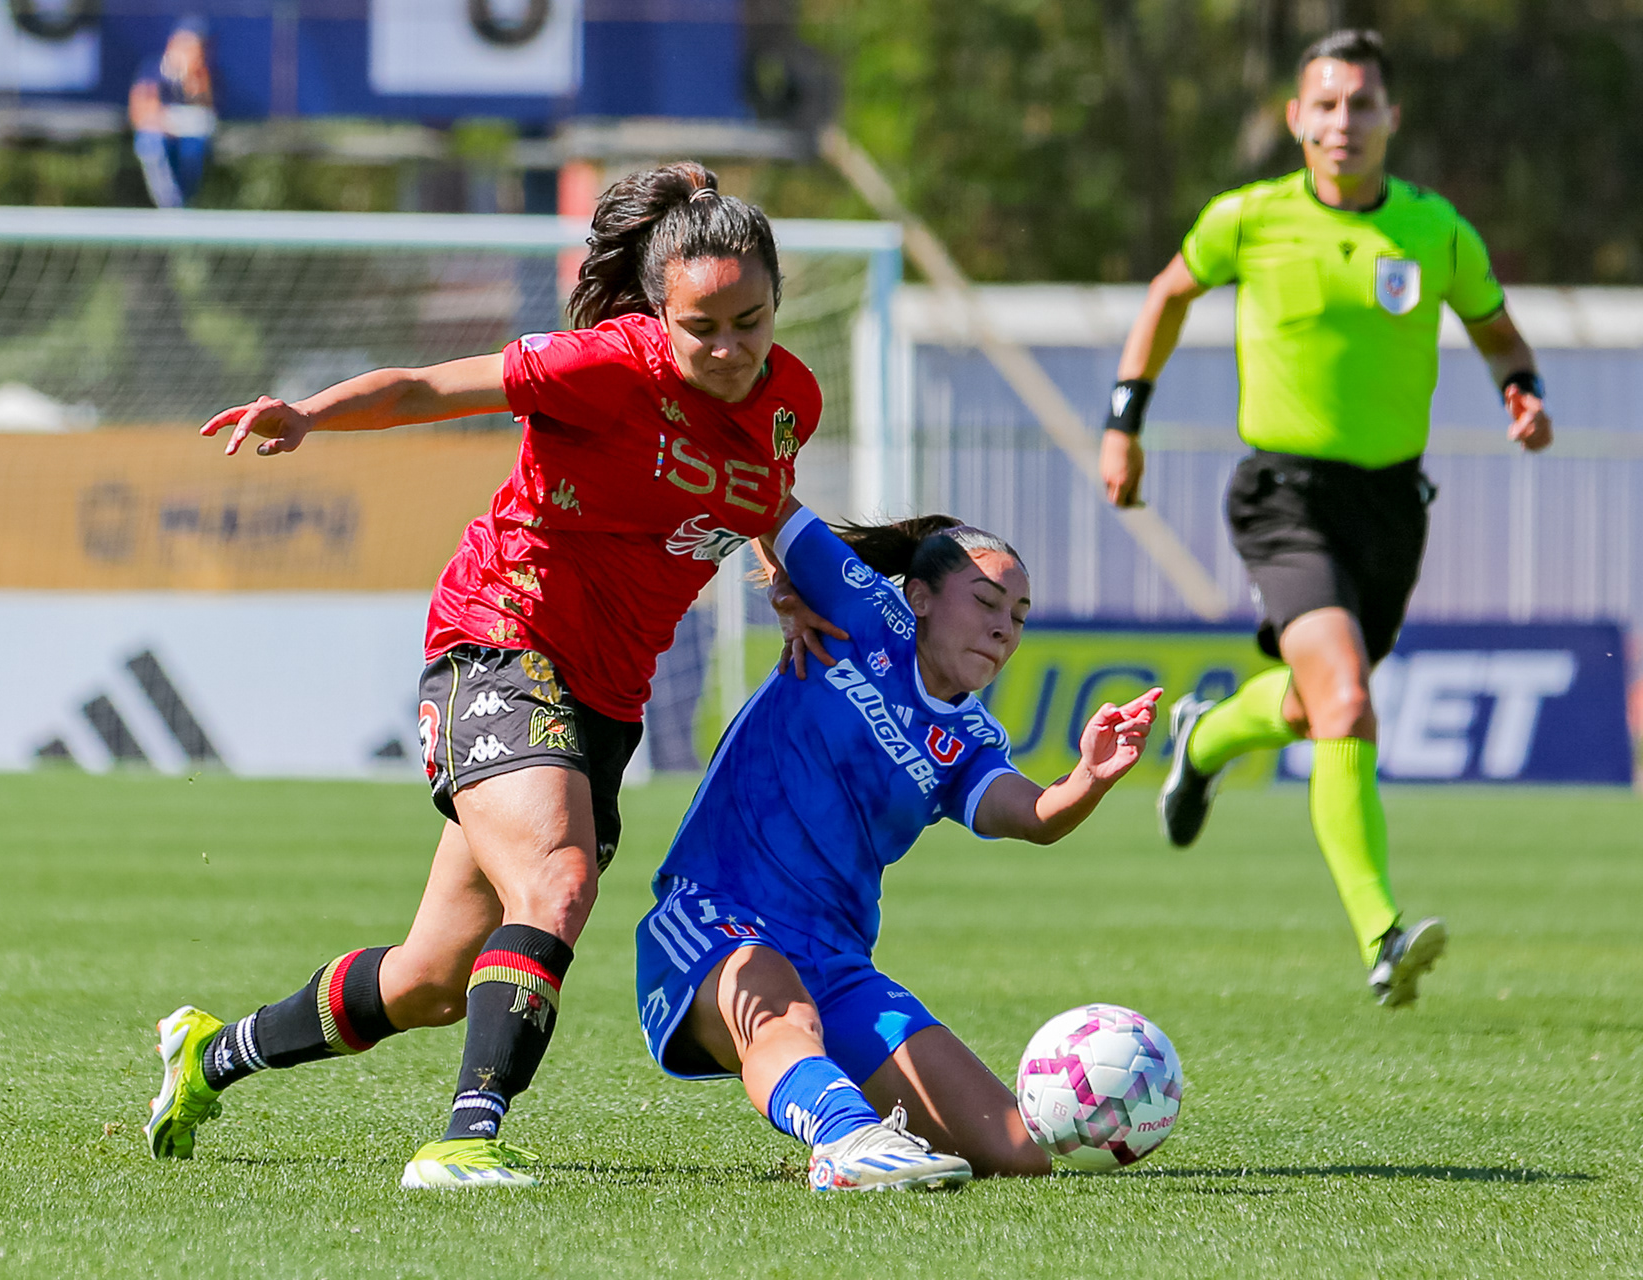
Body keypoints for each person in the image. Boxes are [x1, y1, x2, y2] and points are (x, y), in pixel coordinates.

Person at [146, 163, 829, 1189]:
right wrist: (312, 414)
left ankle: (211, 1053)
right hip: (501, 638)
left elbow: (764, 494)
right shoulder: (602, 366)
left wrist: (785, 581)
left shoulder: (792, 400)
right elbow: (427, 388)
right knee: (558, 879)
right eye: (703, 328)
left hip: (606, 696)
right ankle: (465, 1138)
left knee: (428, 979)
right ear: (659, 313)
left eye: (751, 320)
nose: (730, 348)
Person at [1097, 29, 1553, 1008]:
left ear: (1392, 117)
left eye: (1363, 103)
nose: (1345, 120)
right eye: (1328, 103)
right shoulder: (1248, 217)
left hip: (1391, 508)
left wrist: (1523, 391)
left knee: (1316, 707)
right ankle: (1383, 934)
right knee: (1346, 702)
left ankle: (1205, 739)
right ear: (1297, 118)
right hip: (1285, 496)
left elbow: (1498, 332)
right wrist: (1124, 422)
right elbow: (1167, 294)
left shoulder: (1435, 231)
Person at [637, 506, 1162, 1190]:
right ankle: (843, 1139)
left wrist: (1089, 776)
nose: (1004, 628)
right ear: (919, 597)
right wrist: (787, 588)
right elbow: (764, 486)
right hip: (716, 916)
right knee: (784, 1018)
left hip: (835, 962)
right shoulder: (861, 609)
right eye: (986, 602)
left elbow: (1034, 815)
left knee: (1015, 1154)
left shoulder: (970, 740)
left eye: (1019, 616)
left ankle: (846, 1116)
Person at [130, 17, 216, 210]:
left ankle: (185, 204)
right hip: (158, 134)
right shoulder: (153, 69)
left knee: (193, 146)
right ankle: (169, 205)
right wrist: (166, 121)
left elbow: (206, 114)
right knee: (151, 143)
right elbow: (139, 112)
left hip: (186, 137)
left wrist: (193, 83)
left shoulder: (201, 74)